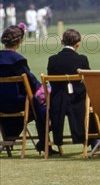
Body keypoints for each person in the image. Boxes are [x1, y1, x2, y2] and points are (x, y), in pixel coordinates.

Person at [0, 24, 58, 155]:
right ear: (20, 41)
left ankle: (10, 136)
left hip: (1, 103)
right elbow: (31, 83)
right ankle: (44, 143)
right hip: (17, 102)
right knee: (43, 107)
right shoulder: (18, 60)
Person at [47, 29, 99, 148]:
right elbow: (89, 81)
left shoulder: (52, 60)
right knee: (94, 101)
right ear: (78, 44)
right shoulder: (82, 59)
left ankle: (55, 141)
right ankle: (94, 138)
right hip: (78, 101)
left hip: (58, 102)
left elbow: (51, 81)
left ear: (62, 42)